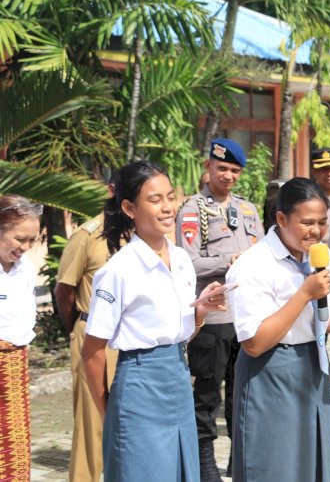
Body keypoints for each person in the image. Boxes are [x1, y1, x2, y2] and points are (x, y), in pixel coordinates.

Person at [81, 161, 224, 481]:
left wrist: (201, 312)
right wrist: (110, 412)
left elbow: (180, 335)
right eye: (155, 199)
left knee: (180, 471)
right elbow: (92, 351)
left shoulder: (183, 260)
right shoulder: (118, 270)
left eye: (170, 197)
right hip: (137, 388)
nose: (167, 207)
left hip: (177, 379)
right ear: (129, 208)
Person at [226, 177, 330, 482]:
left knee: (311, 466)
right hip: (270, 373)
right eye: (307, 223)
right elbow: (254, 342)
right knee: (273, 467)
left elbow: (320, 313)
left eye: (322, 223)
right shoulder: (254, 265)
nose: (316, 231)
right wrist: (303, 293)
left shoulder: (320, 256)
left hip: (313, 370)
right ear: (281, 218)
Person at [176, 138, 264, 479]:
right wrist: (228, 260)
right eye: (222, 168)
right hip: (211, 318)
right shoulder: (192, 209)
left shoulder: (248, 209)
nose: (228, 176)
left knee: (243, 395)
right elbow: (189, 262)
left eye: (234, 170)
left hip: (245, 317)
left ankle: (239, 459)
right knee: (207, 395)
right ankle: (205, 462)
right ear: (208, 167)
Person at [54, 179, 120, 482]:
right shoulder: (87, 235)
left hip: (129, 338)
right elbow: (64, 290)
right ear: (112, 191)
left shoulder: (140, 237)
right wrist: (79, 327)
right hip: (93, 335)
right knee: (91, 425)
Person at [0, 195, 42, 481]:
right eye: (19, 239)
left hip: (15, 364)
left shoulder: (25, 268)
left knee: (13, 440)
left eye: (32, 240)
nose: (25, 248)